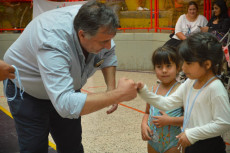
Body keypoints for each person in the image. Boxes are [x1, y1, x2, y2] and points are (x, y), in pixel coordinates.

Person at [3, 1, 137, 153]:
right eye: (104, 41)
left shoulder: (95, 22)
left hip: (66, 90)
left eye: (110, 39)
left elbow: (109, 54)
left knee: (71, 145)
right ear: (82, 34)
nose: (108, 45)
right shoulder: (52, 40)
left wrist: (111, 88)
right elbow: (65, 104)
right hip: (27, 90)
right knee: (34, 147)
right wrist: (116, 95)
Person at [137, 32, 230, 153]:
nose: (183, 68)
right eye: (183, 62)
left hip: (208, 146)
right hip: (190, 142)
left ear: (207, 64)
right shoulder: (190, 82)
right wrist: (143, 92)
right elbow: (167, 103)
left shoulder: (215, 88)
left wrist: (192, 134)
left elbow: (223, 123)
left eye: (189, 63)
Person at [141, 46, 184, 153]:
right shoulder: (152, 90)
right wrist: (144, 124)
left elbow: (190, 119)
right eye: (159, 66)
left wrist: (170, 120)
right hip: (153, 141)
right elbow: (147, 112)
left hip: (173, 143)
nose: (164, 70)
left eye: (168, 66)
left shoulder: (181, 91)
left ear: (178, 67)